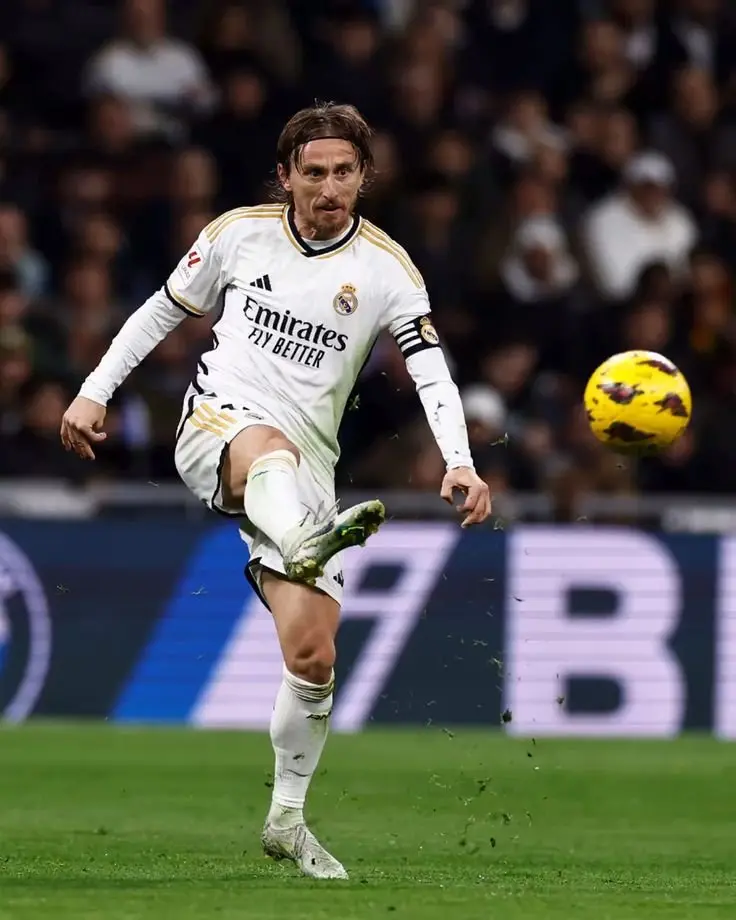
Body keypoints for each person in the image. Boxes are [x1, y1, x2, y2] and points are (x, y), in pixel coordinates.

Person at [60, 103, 491, 879]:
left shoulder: (388, 269)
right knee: (269, 451)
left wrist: (458, 460)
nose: (329, 188)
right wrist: (95, 390)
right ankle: (299, 539)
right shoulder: (239, 234)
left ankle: (287, 820)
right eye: (314, 172)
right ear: (286, 176)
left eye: (344, 172)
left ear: (364, 177)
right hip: (219, 424)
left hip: (308, 469)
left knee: (314, 655)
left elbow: (430, 369)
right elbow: (161, 311)